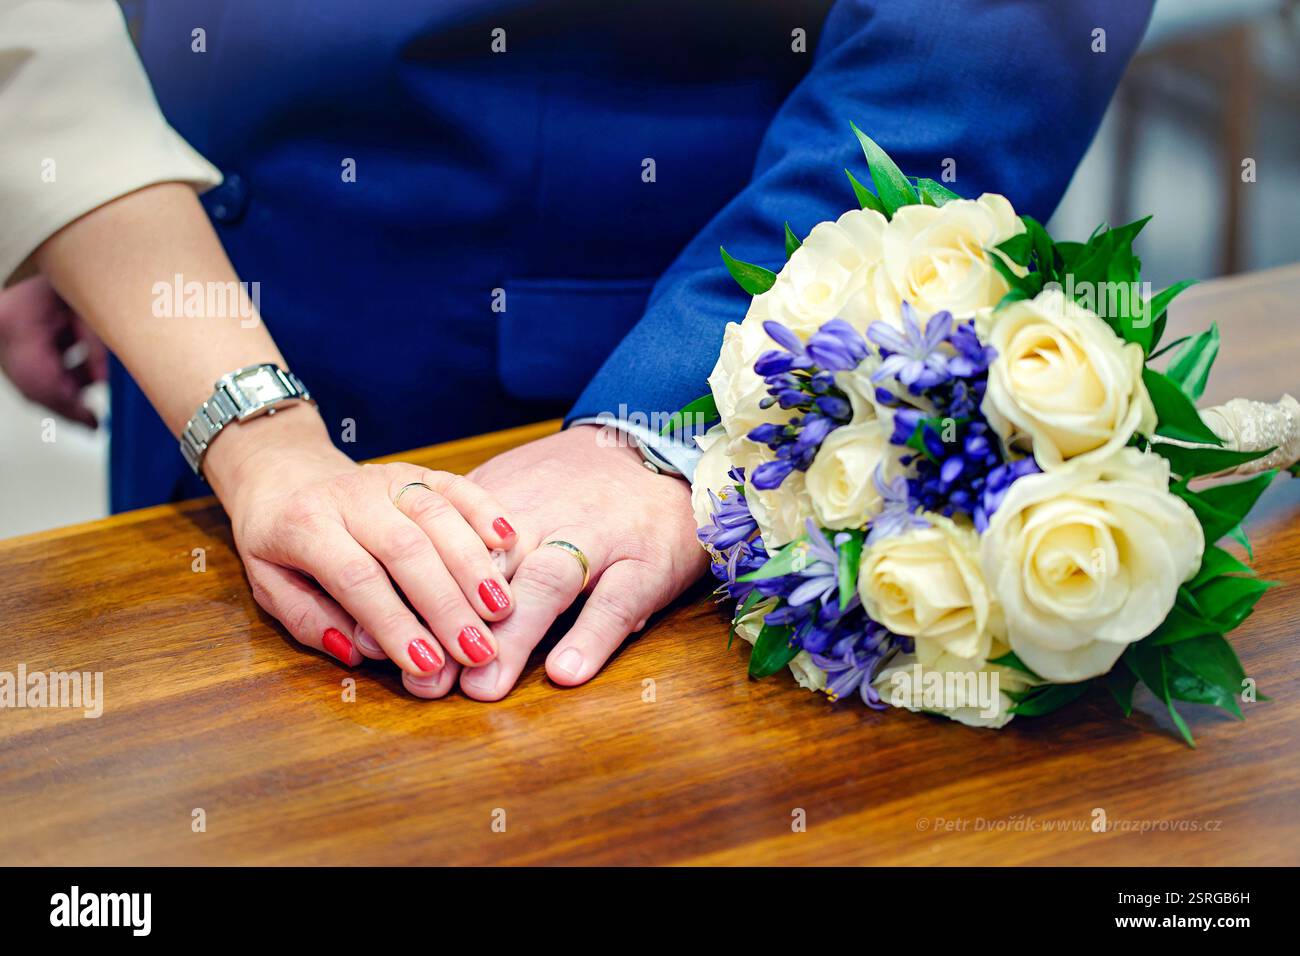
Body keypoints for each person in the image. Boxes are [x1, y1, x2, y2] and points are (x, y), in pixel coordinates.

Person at [0, 0, 1156, 700]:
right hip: (179, 360)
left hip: (582, 421)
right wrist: (76, 202)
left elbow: (958, 48)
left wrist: (664, 425)